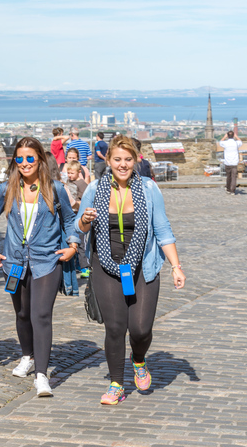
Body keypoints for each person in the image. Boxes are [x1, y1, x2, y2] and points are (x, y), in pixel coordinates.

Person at [76, 135, 186, 405]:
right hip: (106, 266)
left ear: (136, 160)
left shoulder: (148, 188)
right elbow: (76, 229)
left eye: (128, 159)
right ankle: (116, 384)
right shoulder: (94, 189)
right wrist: (85, 221)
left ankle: (138, 359)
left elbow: (162, 229)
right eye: (117, 159)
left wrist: (175, 266)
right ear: (108, 159)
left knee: (140, 329)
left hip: (142, 266)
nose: (122, 165)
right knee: (115, 327)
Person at [0, 137, 78, 397]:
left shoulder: (55, 188)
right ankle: (28, 355)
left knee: (41, 315)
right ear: (15, 161)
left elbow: (70, 220)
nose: (25, 163)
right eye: (20, 158)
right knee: (23, 314)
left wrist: (73, 244)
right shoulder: (6, 189)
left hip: (47, 259)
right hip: (14, 260)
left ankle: (42, 376)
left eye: (30, 158)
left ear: (40, 159)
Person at [219, 129, 242, 195]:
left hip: (227, 162)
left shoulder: (225, 143)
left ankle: (228, 188)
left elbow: (220, 142)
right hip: (234, 162)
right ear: (233, 136)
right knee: (234, 177)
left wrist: (224, 137)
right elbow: (240, 141)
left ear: (228, 136)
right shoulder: (236, 143)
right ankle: (232, 190)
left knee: (228, 176)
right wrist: (236, 136)